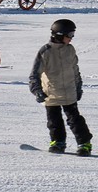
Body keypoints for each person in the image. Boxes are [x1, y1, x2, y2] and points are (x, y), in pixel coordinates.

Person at [28, 18, 93, 154]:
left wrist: (78, 87)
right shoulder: (46, 51)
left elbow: (75, 70)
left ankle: (84, 144)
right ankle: (58, 142)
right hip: (51, 93)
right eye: (69, 35)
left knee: (75, 120)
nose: (71, 38)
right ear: (59, 34)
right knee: (54, 121)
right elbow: (34, 74)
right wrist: (37, 91)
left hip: (69, 93)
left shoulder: (70, 50)